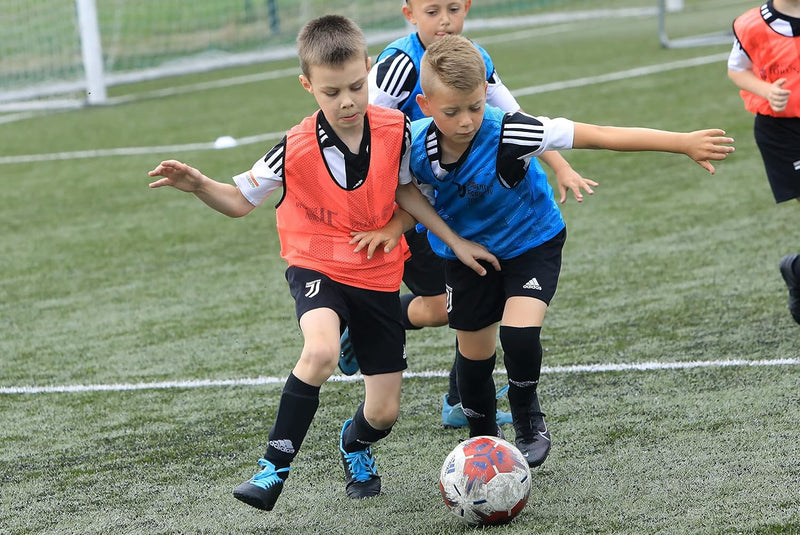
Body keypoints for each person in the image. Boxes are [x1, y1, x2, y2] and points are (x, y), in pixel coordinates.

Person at [147, 16, 498, 512]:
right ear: (308, 85)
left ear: (369, 72)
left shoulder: (395, 129)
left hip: (376, 272)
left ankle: (353, 443)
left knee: (384, 413)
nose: (348, 101)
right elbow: (240, 201)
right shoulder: (294, 147)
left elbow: (407, 192)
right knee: (320, 353)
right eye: (332, 92)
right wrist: (202, 185)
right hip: (315, 263)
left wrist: (453, 241)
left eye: (357, 86)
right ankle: (272, 469)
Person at [354, 35, 734, 468]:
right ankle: (483, 439)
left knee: (519, 333)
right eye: (452, 111)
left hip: (530, 243)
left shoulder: (512, 130)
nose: (466, 121)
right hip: (466, 256)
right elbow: (413, 197)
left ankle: (528, 419)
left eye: (475, 107)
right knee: (473, 354)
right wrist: (395, 227)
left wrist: (681, 143)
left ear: (485, 94)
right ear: (423, 105)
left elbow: (600, 135)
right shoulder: (414, 145)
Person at [339, 0, 597, 432]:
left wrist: (559, 164)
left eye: (453, 9)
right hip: (415, 197)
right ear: (410, 14)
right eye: (433, 10)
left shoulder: (473, 60)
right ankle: (373, 325)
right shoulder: (400, 65)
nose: (445, 21)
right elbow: (366, 129)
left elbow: (515, 117)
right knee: (447, 307)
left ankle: (462, 401)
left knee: (460, 308)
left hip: (459, 198)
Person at [727, 0, 800, 325]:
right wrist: (767, 90)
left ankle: (796, 269)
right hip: (784, 132)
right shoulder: (751, 24)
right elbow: (737, 69)